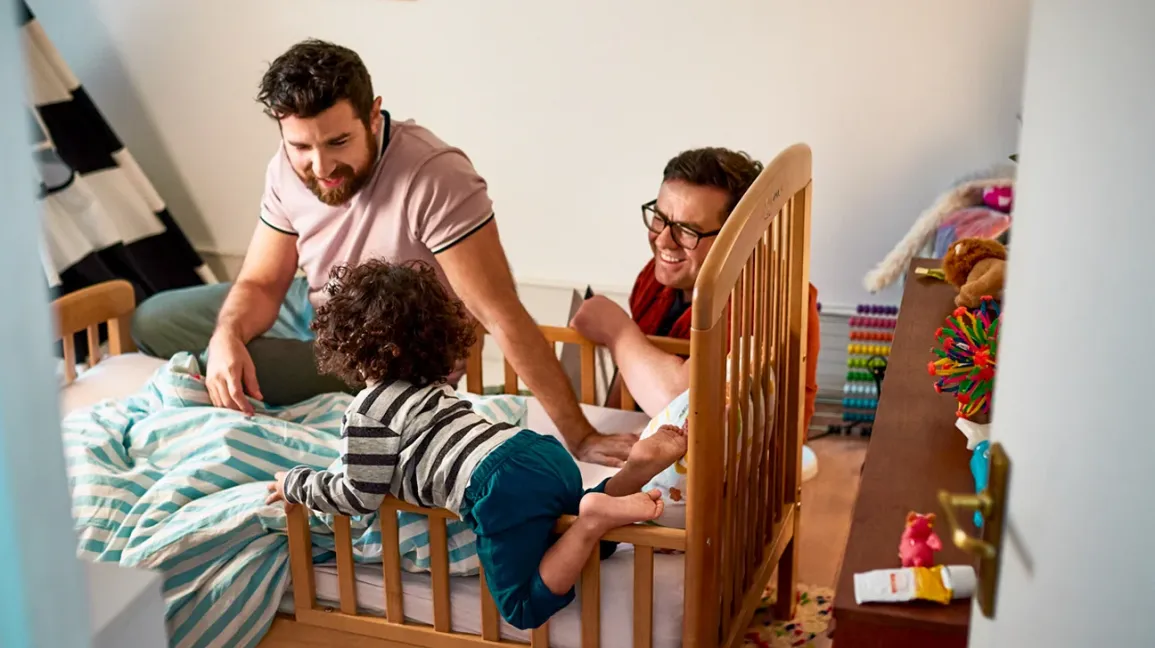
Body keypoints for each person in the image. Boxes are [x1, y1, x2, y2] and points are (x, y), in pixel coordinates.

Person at [129, 39, 633, 466]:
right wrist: (227, 335)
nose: (320, 165)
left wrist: (581, 435)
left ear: (374, 115)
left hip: (384, 353)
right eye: (300, 146)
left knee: (230, 364)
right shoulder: (287, 166)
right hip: (320, 305)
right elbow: (263, 282)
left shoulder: (434, 174)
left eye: (338, 141)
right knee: (153, 319)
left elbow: (499, 315)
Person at [265, 259, 687, 630]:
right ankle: (629, 476)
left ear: (353, 345)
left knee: (522, 605)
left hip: (494, 485)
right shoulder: (435, 390)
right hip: (536, 450)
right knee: (577, 533)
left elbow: (357, 494)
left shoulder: (367, 411)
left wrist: (296, 483)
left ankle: (594, 518)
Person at [570, 147, 821, 427]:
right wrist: (602, 433)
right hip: (650, 437)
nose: (663, 240)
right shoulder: (656, 279)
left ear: (736, 240)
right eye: (660, 218)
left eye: (687, 230)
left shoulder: (767, 297)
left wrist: (615, 330)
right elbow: (630, 369)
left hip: (735, 460)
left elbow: (683, 406)